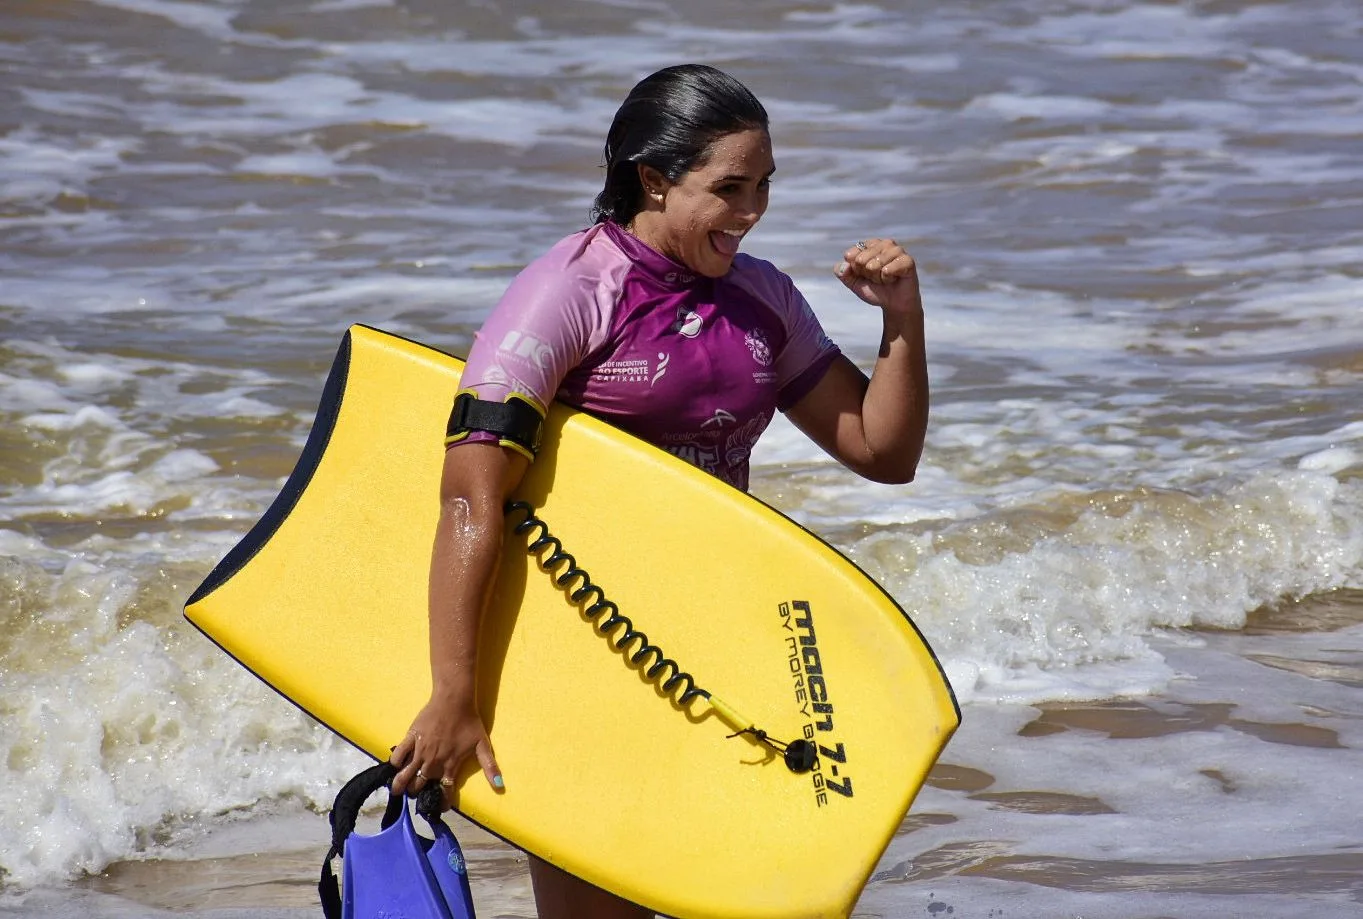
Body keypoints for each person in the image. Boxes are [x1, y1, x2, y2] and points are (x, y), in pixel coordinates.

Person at [388, 63, 928, 918]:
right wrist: (454, 691)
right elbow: (469, 495)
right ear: (652, 178)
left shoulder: (762, 299)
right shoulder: (569, 291)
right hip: (576, 640)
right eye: (729, 188)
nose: (751, 212)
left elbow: (879, 450)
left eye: (763, 187)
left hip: (711, 639)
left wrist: (902, 315)